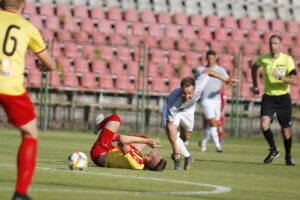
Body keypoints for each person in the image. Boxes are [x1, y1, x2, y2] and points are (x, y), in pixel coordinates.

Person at [0, 1, 56, 199]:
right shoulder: (27, 27)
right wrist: (46, 67)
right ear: (23, 6)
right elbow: (50, 63)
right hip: (10, 87)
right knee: (29, 133)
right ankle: (20, 193)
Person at [163, 70, 238, 170]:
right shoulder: (173, 103)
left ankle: (177, 153)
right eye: (183, 93)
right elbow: (170, 126)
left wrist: (226, 79)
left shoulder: (199, 85)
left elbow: (207, 71)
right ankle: (185, 157)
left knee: (186, 136)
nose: (186, 96)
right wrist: (174, 147)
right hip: (175, 111)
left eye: (189, 93)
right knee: (173, 134)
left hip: (189, 110)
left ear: (194, 89)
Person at [251, 35, 297, 166]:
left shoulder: (287, 60)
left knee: (285, 130)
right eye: (271, 43)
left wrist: (281, 77)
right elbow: (254, 67)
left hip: (283, 98)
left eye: (275, 43)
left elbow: (294, 80)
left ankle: (288, 156)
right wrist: (255, 84)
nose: (272, 46)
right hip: (269, 97)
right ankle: (273, 149)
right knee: (264, 124)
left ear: (281, 45)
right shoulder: (264, 58)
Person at [90, 114, 167, 171]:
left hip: (99, 152)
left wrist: (147, 141)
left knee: (115, 119)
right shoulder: (141, 162)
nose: (156, 152)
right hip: (111, 150)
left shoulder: (136, 163)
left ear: (149, 158)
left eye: (157, 154)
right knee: (144, 139)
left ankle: (98, 127)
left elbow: (122, 140)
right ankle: (111, 136)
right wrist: (146, 141)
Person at [196, 50, 229, 152]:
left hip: (217, 100)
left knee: (214, 123)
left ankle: (203, 141)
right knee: (212, 122)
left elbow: (227, 81)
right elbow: (195, 83)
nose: (210, 60)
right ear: (206, 58)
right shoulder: (200, 69)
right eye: (208, 58)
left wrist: (224, 87)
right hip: (205, 99)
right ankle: (218, 146)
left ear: (215, 58)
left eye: (212, 58)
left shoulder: (221, 70)